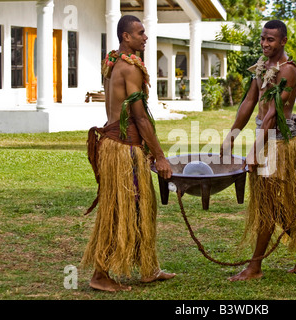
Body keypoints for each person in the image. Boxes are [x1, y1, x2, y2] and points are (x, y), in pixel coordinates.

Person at [81, 15, 175, 292]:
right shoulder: (130, 68)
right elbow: (141, 117)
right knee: (119, 211)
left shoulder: (112, 63)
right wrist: (159, 155)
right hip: (123, 150)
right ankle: (100, 274)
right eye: (141, 33)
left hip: (115, 145)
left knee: (141, 207)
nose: (145, 37)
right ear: (126, 37)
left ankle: (147, 267)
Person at [221, 20, 296, 281]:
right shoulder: (263, 66)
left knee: (268, 204)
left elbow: (273, 115)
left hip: (279, 143)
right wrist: (232, 135)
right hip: (266, 139)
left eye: (271, 40)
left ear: (283, 41)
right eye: (263, 38)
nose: (265, 44)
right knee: (271, 204)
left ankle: (255, 267)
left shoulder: (289, 71)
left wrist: (255, 149)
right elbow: (250, 101)